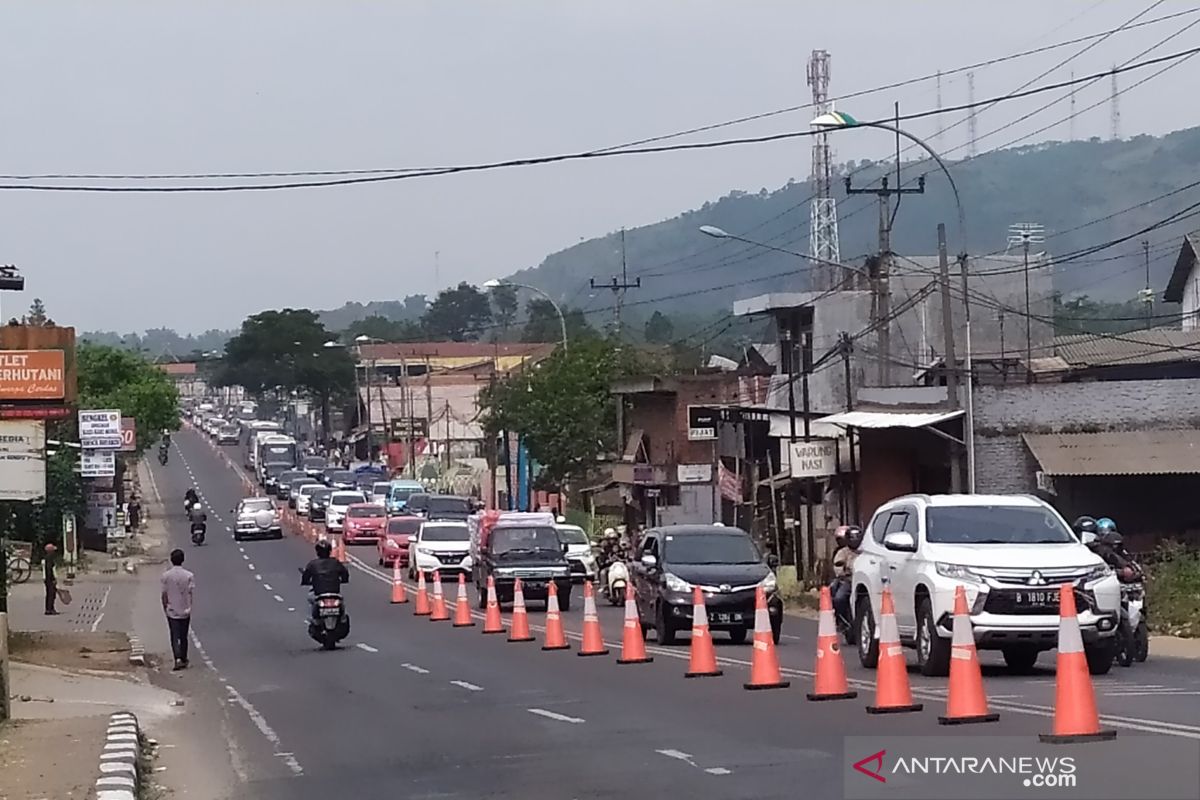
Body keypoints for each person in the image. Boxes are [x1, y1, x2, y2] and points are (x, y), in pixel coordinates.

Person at [161, 548, 195, 670]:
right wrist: (189, 607)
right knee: (184, 635)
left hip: (172, 610)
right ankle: (184, 658)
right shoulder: (189, 575)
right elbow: (190, 593)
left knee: (174, 635)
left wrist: (165, 607)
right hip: (185, 610)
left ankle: (177, 659)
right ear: (183, 560)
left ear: (171, 560)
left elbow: (164, 594)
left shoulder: (166, 576)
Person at [300, 540, 349, 616]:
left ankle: (312, 617)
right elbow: (345, 574)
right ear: (329, 551)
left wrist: (305, 582)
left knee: (310, 599)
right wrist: (344, 580)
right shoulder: (335, 563)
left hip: (320, 593)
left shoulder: (313, 564)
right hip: (334, 593)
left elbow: (306, 576)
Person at [830, 525, 863, 628]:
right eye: (852, 538)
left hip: (863, 582)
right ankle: (841, 619)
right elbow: (837, 566)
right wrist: (844, 571)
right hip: (848, 581)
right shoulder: (843, 552)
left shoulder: (865, 551)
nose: (855, 541)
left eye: (857, 538)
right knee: (839, 598)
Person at [43, 543, 58, 615]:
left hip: (47, 579)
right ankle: (50, 609)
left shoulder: (46, 558)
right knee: (51, 594)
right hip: (49, 579)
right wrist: (53, 579)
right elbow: (49, 570)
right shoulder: (49, 558)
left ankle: (49, 608)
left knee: (49, 594)